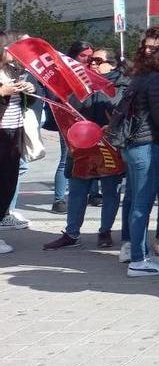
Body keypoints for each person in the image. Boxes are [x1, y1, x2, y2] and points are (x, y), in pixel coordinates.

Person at [42, 48, 126, 251]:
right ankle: (71, 233)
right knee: (78, 188)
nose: (93, 63)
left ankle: (105, 231)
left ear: (112, 64)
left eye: (98, 60)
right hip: (81, 143)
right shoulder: (80, 80)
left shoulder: (123, 85)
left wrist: (101, 88)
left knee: (109, 191)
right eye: (90, 60)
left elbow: (119, 110)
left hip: (108, 144)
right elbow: (68, 106)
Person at [119, 26, 159, 276]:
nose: (148, 51)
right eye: (147, 47)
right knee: (142, 204)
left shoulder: (142, 75)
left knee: (137, 201)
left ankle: (141, 254)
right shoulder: (157, 79)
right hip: (146, 145)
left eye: (154, 48)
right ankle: (139, 260)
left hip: (136, 145)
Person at [46, 41, 94, 215]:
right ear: (73, 55)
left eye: (90, 57)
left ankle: (93, 193)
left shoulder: (90, 70)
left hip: (88, 119)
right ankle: (59, 199)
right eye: (83, 56)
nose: (87, 60)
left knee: (91, 155)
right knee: (66, 158)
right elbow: (54, 96)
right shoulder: (62, 71)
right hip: (67, 120)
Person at [0, 34, 36, 255]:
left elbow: (24, 101)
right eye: (7, 47)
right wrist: (3, 91)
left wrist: (28, 91)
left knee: (8, 183)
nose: (12, 51)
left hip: (14, 132)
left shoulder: (12, 70)